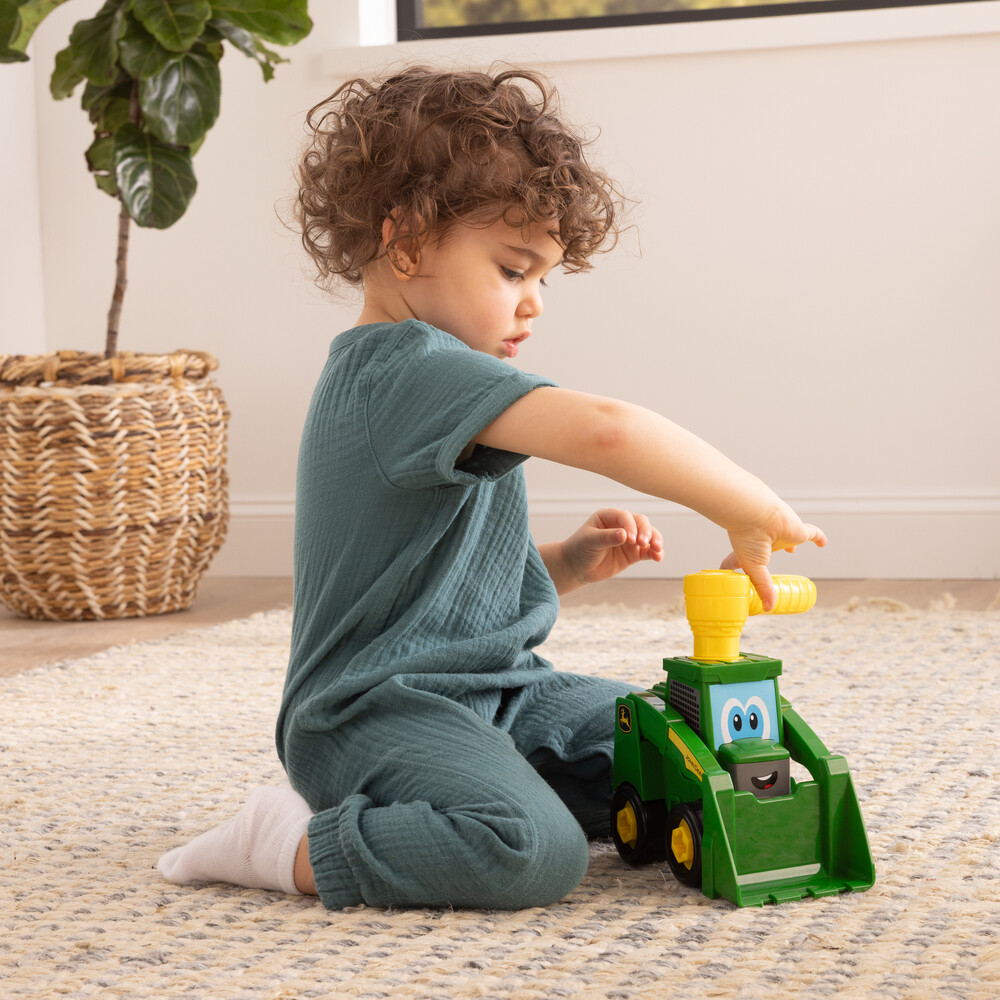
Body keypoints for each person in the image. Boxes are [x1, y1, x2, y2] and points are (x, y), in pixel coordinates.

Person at [157, 66, 826, 910]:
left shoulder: (443, 378)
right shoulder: (402, 369)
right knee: (532, 852)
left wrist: (565, 564)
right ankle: (285, 846)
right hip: (371, 714)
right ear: (407, 242)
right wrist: (748, 505)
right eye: (514, 270)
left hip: (502, 690)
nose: (534, 304)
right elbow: (608, 431)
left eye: (543, 279)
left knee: (676, 745)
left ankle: (486, 789)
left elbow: (432, 595)